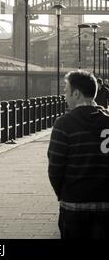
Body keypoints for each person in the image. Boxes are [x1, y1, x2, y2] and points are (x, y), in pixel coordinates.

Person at [48, 70, 109, 239]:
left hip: (74, 204)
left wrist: (64, 194)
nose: (64, 96)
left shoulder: (64, 123)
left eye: (66, 91)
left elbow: (55, 168)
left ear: (76, 94)